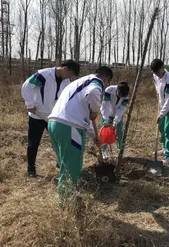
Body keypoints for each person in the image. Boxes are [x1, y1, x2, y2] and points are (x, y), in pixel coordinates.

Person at [47, 66, 113, 204]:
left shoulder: (80, 83)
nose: (105, 87)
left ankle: (64, 198)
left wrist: (94, 135)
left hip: (55, 124)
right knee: (71, 167)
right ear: (106, 79)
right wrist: (95, 110)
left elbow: (81, 117)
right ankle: (66, 204)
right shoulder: (96, 82)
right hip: (69, 126)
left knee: (64, 165)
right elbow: (94, 93)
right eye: (107, 84)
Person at [21, 60, 80, 178]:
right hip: (37, 115)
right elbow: (26, 87)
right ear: (65, 69)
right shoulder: (43, 75)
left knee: (58, 142)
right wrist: (30, 104)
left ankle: (61, 163)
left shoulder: (66, 81)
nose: (70, 77)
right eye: (70, 74)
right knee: (34, 143)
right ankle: (31, 168)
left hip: (53, 116)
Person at [151, 59, 169, 165]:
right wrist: (158, 94)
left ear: (162, 68)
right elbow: (156, 84)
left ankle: (168, 155)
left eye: (158, 72)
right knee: (161, 129)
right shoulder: (155, 75)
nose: (157, 75)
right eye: (155, 73)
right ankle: (164, 148)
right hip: (163, 106)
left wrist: (161, 114)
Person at [100, 82, 130, 158]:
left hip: (118, 114)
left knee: (119, 132)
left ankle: (120, 150)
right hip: (107, 113)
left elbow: (121, 109)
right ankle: (104, 151)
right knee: (105, 133)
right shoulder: (109, 90)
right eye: (119, 94)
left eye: (122, 96)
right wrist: (106, 119)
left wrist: (116, 121)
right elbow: (105, 105)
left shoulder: (126, 96)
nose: (120, 96)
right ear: (117, 89)